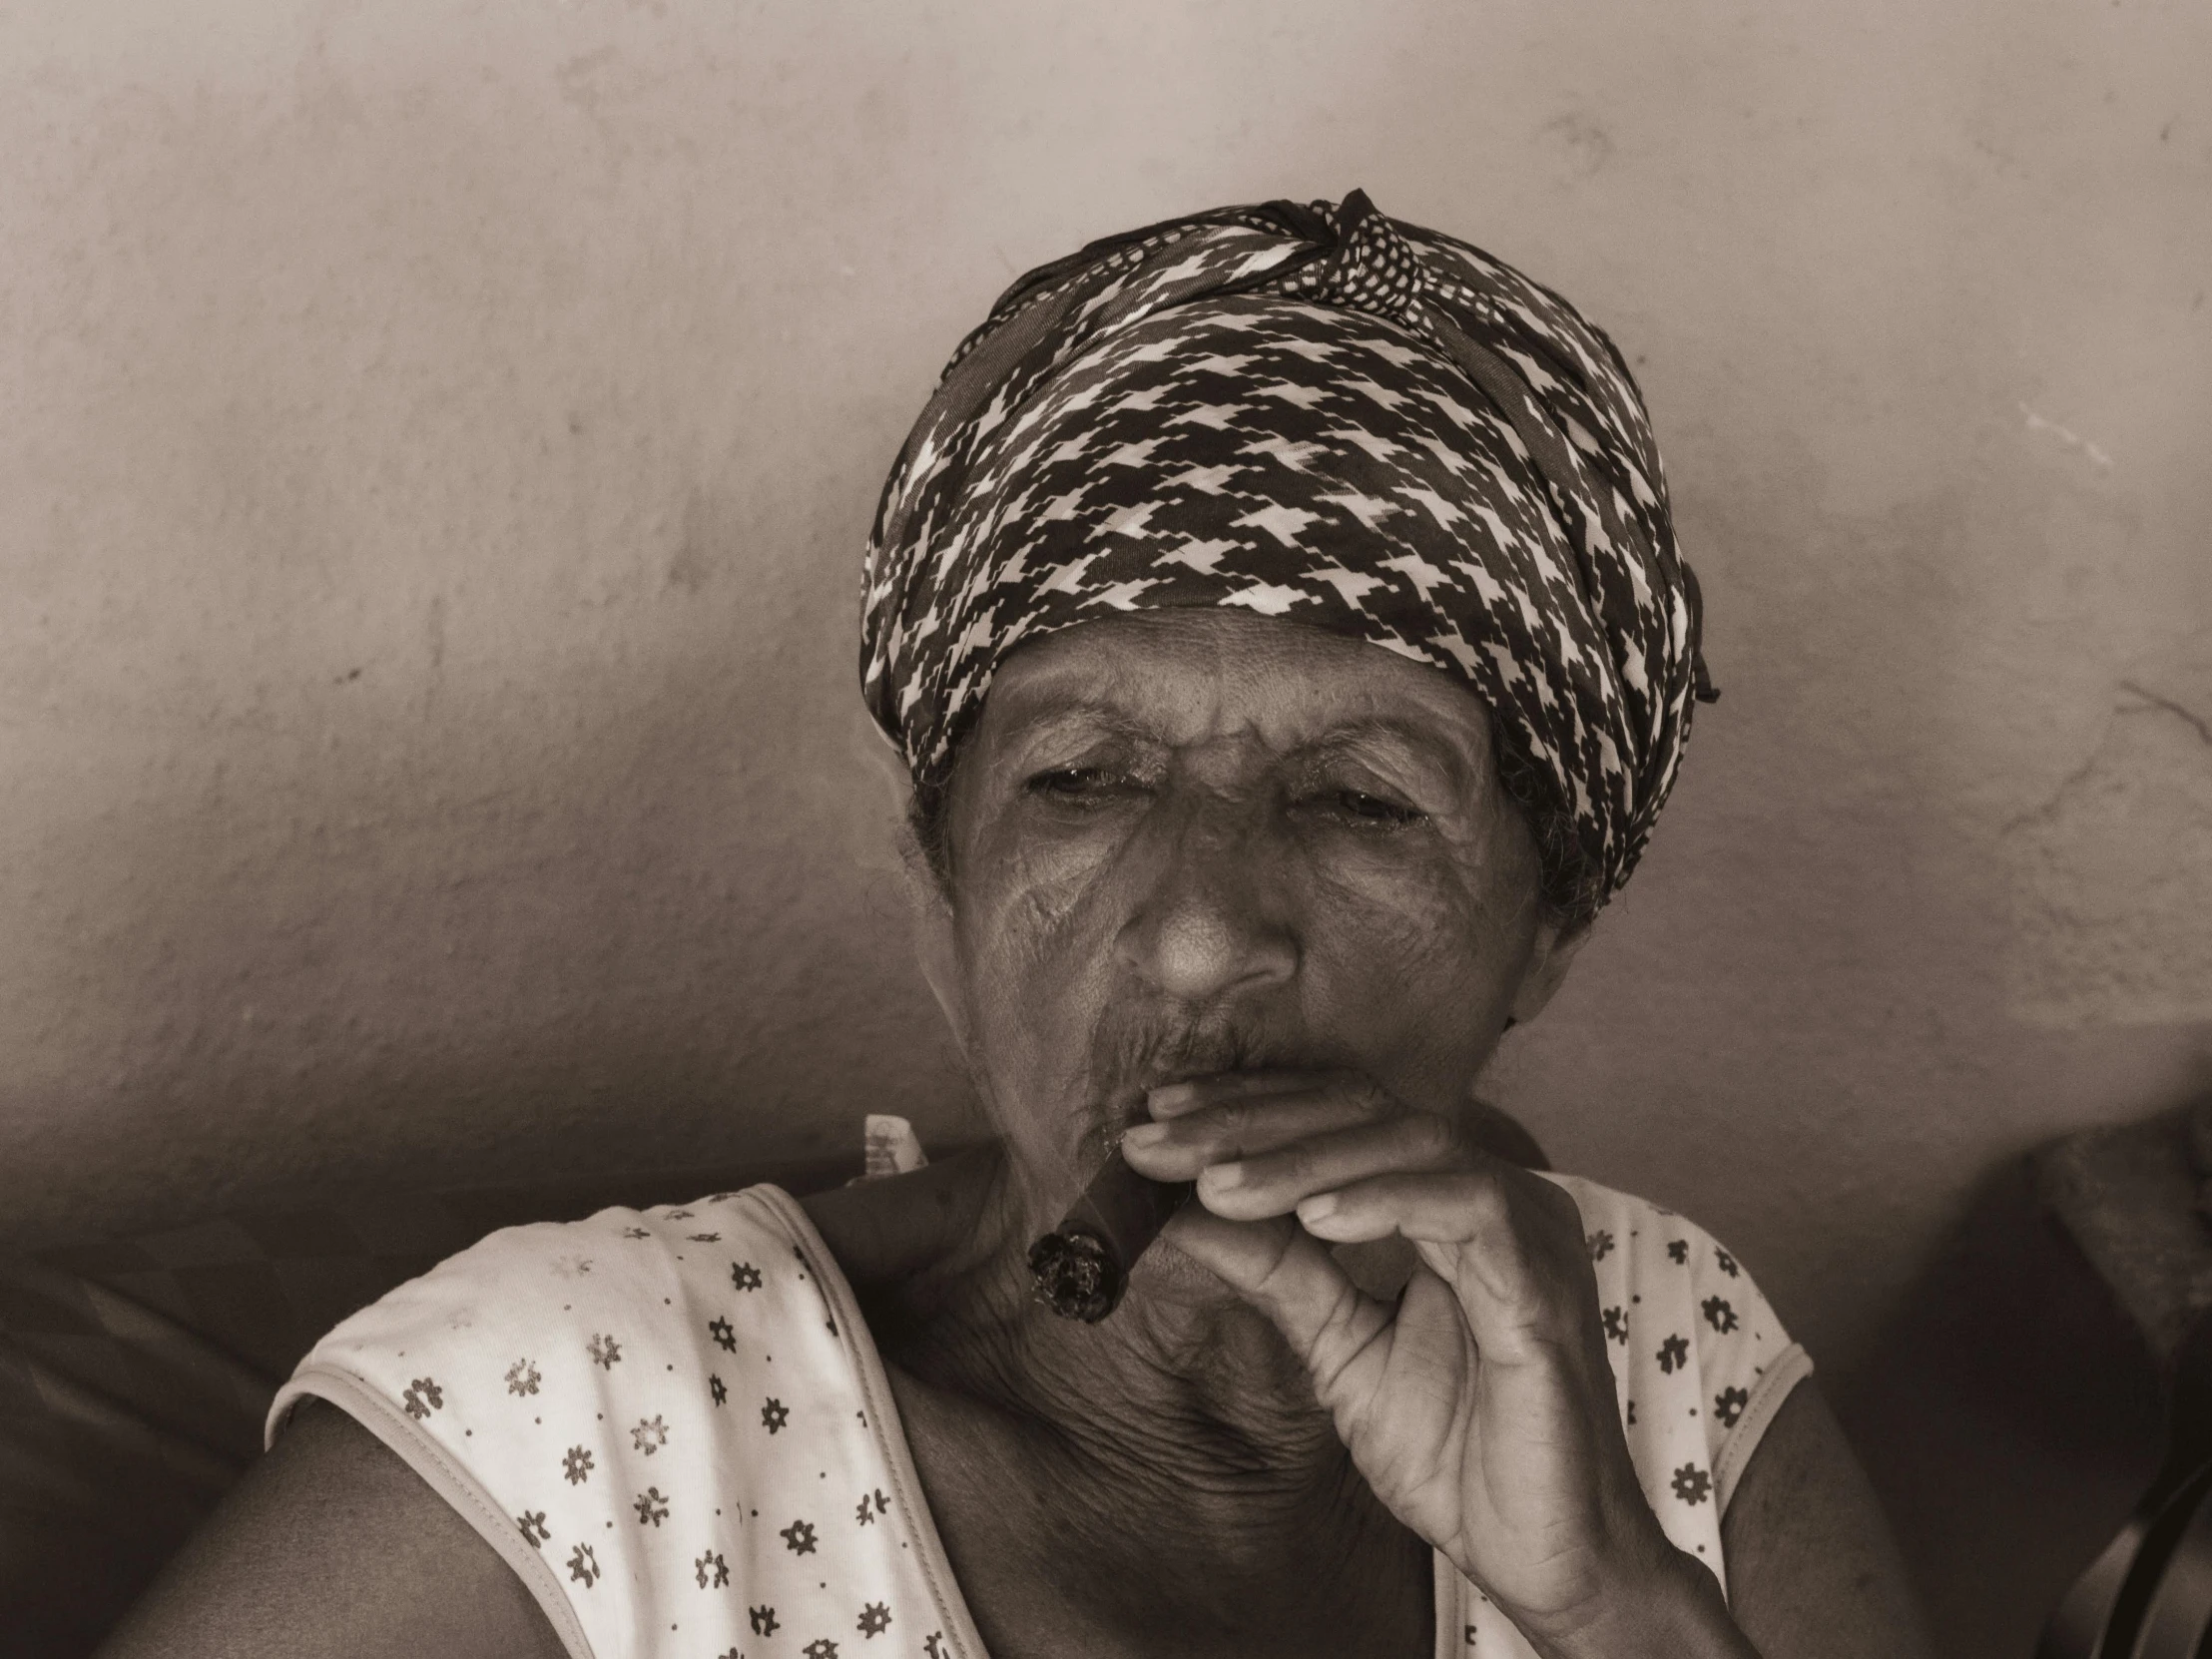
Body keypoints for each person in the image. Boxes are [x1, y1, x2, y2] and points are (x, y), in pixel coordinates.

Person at [99, 191, 1933, 1658]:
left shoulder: (1653, 1356)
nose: (1204, 935)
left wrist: (1611, 1607)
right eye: (1083, 781)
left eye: (1364, 800)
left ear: (1549, 933)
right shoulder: (581, 1426)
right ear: (940, 896)